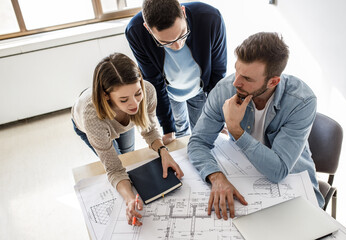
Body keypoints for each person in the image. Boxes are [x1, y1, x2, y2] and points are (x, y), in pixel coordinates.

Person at [187, 32, 324, 220]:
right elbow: (197, 142)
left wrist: (235, 129)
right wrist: (216, 177)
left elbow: (278, 171)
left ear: (273, 81)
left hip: (293, 182)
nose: (236, 82)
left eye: (247, 79)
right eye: (236, 71)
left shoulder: (302, 101)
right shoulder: (225, 89)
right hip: (246, 176)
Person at [71, 53, 184, 226]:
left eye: (137, 93)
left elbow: (150, 129)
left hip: (119, 121)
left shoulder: (148, 91)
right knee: (117, 158)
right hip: (89, 124)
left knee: (127, 154)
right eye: (124, 99)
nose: (134, 104)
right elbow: (114, 168)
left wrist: (163, 151)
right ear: (106, 95)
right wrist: (130, 198)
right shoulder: (91, 115)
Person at [125, 0, 227, 144]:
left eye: (182, 34)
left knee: (202, 131)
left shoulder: (210, 17)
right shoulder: (135, 32)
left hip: (200, 87)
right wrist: (167, 127)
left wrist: (219, 116)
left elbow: (218, 71)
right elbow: (153, 81)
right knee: (179, 131)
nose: (178, 46)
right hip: (169, 92)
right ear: (148, 28)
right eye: (166, 42)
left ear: (183, 13)